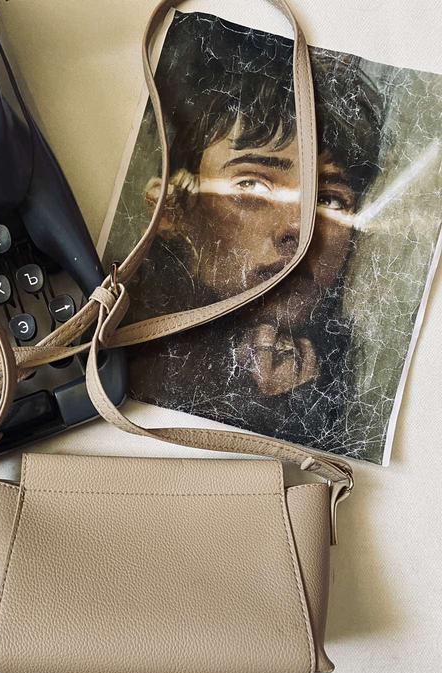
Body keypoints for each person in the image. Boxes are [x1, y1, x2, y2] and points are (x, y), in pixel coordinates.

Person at [124, 13, 386, 454]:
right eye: (252, 185)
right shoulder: (129, 351)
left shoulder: (332, 376)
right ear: (170, 209)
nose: (300, 229)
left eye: (329, 199)